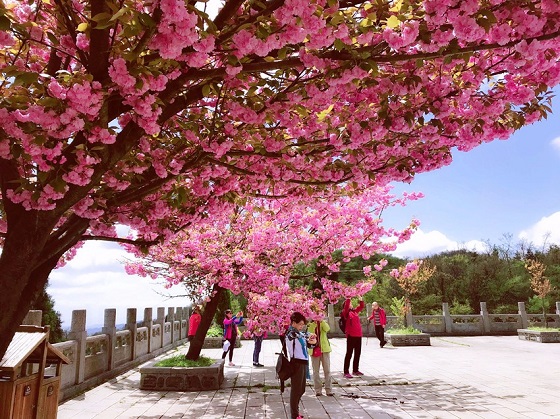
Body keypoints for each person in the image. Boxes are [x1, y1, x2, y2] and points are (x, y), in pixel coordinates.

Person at [285, 312, 317, 419]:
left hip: (303, 363)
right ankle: (294, 415)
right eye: (300, 324)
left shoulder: (299, 334)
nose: (301, 326)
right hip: (296, 364)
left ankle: (296, 412)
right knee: (296, 390)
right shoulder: (291, 333)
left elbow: (310, 345)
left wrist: (313, 340)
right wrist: (308, 335)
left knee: (301, 389)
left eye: (303, 324)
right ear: (293, 323)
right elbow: (301, 335)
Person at [307, 316, 333, 397]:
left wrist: (321, 321)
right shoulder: (310, 324)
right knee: (316, 371)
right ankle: (318, 390)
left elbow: (327, 329)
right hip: (314, 350)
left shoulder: (323, 322)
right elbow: (309, 333)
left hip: (324, 349)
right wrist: (314, 323)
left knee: (327, 370)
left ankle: (328, 389)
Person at [342, 297, 365, 378]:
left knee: (357, 353)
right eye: (349, 304)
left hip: (358, 335)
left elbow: (361, 307)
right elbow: (346, 306)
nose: (351, 305)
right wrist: (348, 298)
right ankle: (346, 371)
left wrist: (361, 299)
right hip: (351, 335)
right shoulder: (345, 313)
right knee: (349, 353)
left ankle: (355, 370)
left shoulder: (354, 312)